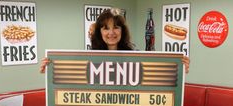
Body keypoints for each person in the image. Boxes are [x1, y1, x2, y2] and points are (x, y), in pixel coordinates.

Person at [40, 8, 189, 73]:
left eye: (116, 27)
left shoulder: (136, 54)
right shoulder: (89, 57)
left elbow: (154, 78)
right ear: (99, 32)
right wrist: (52, 67)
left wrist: (179, 67)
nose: (111, 33)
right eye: (105, 28)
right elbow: (73, 80)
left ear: (122, 30)